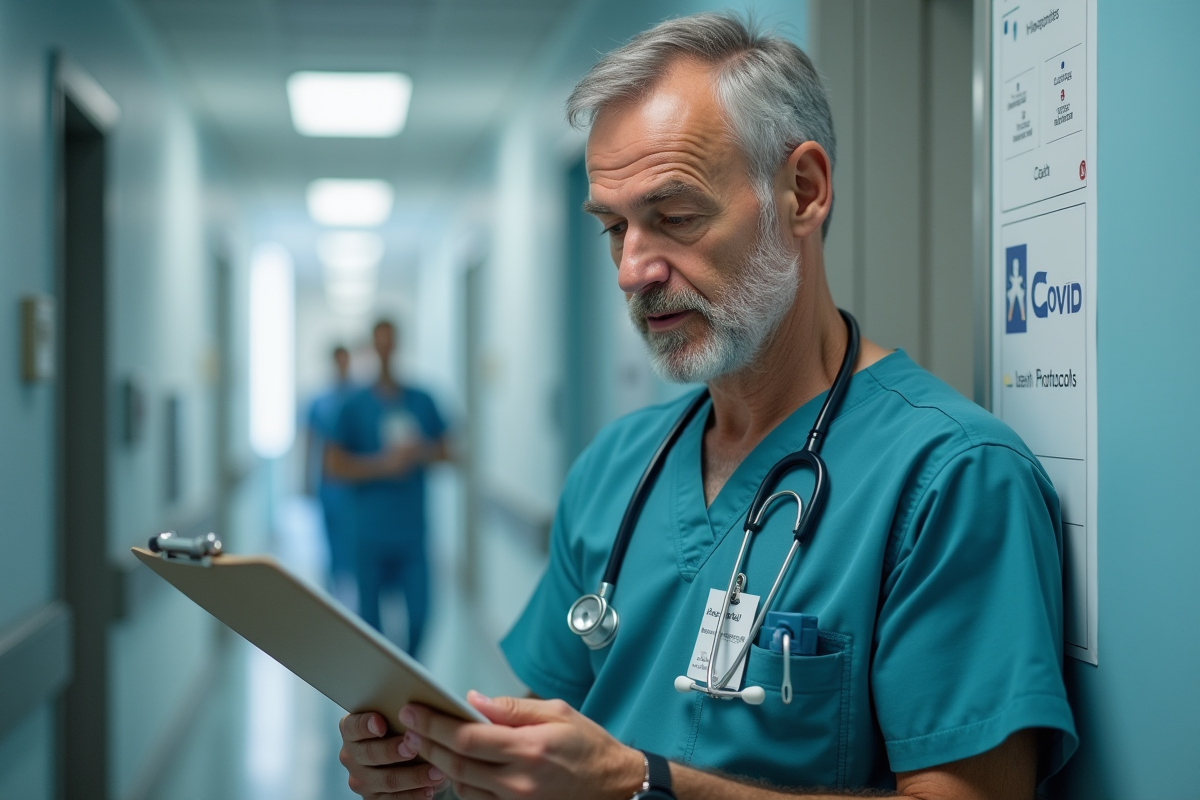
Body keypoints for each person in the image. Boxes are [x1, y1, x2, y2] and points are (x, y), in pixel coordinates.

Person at [338, 13, 1076, 800]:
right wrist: (445, 773)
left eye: (675, 218)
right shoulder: (617, 468)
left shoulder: (952, 479)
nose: (632, 269)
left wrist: (645, 786)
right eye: (614, 228)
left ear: (804, 191)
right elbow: (544, 745)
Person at [325, 319, 449, 655]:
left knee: (421, 616)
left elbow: (448, 450)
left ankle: (410, 683)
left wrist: (418, 451)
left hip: (412, 534)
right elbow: (333, 465)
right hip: (367, 535)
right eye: (378, 343)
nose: (385, 351)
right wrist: (383, 464)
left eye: (390, 342)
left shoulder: (421, 400)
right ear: (371, 348)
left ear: (397, 345)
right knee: (371, 627)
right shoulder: (352, 406)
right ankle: (386, 697)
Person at [306, 345, 357, 601]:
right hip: (328, 485)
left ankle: (354, 587)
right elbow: (311, 440)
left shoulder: (360, 398)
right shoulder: (320, 401)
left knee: (354, 541)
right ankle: (334, 591)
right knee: (331, 539)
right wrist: (305, 479)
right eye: (338, 361)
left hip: (355, 487)